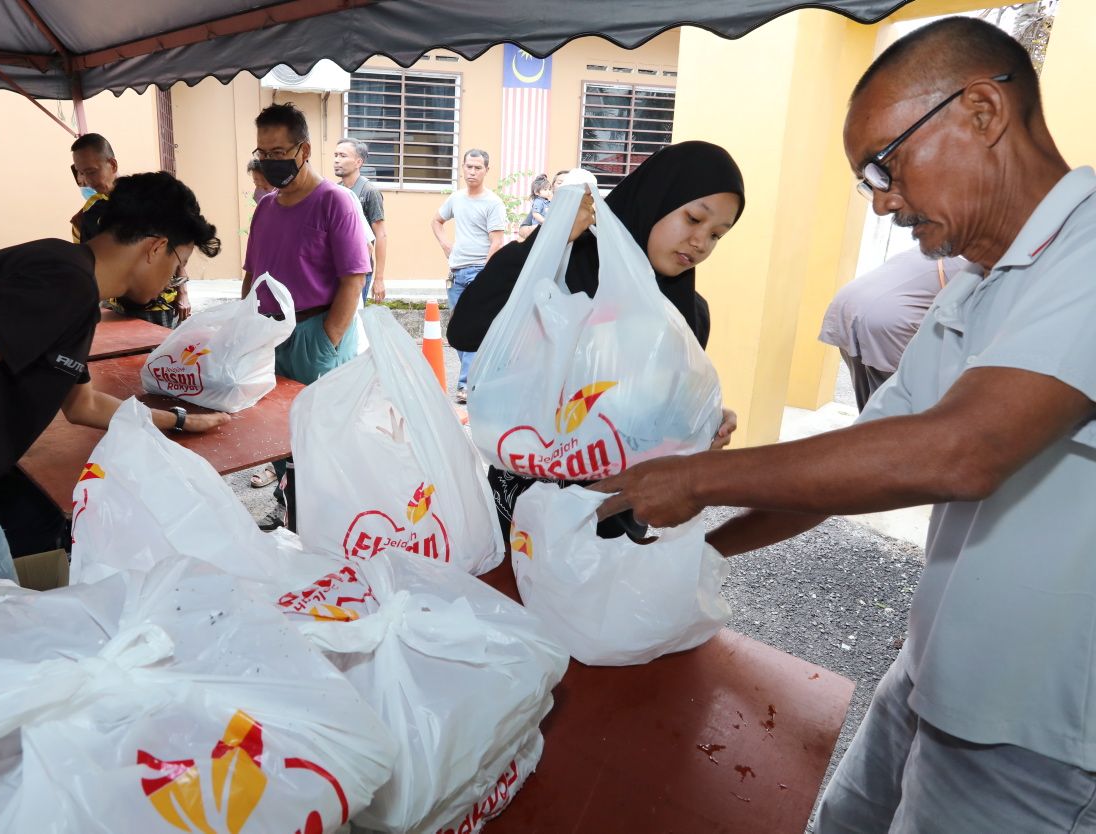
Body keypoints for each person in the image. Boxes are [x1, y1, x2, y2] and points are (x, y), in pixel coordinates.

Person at [596, 18, 1096, 833]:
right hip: (934, 675)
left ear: (980, 111)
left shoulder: (1088, 250)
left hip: (1040, 734)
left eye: (884, 165)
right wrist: (692, 555)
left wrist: (693, 479)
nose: (884, 201)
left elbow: (962, 450)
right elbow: (863, 462)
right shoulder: (976, 286)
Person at [0, 172, 228, 596]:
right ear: (155, 248)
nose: (172, 281)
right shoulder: (64, 280)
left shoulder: (71, 279)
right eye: (178, 267)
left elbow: (81, 404)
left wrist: (178, 420)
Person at [448, 142, 745, 541]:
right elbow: (466, 328)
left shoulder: (688, 316)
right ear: (656, 197)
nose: (700, 242)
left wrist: (705, 421)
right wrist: (549, 242)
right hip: (520, 510)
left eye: (717, 235)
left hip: (614, 526)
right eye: (693, 218)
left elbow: (658, 418)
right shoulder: (566, 269)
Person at [241, 103, 370, 529]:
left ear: (304, 150)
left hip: (316, 332)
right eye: (264, 154)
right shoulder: (266, 208)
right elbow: (251, 275)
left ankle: (332, 523)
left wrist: (329, 338)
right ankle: (289, 505)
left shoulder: (336, 202)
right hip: (268, 335)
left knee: (323, 436)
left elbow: (354, 278)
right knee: (279, 433)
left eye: (279, 153)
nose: (270, 162)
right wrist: (245, 329)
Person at [820, 248, 966, 410]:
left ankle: (867, 427)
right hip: (885, 320)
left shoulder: (920, 252)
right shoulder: (968, 271)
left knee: (869, 390)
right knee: (895, 396)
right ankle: (878, 430)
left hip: (846, 309)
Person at [71, 133, 192, 327]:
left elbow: (175, 247)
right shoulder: (88, 213)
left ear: (113, 165)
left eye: (92, 172)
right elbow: (84, 259)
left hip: (157, 306)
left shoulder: (147, 200)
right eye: (81, 173)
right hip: (114, 305)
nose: (86, 180)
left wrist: (183, 292)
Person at [431, 149, 506, 403]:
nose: (472, 172)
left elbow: (497, 242)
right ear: (462, 168)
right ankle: (477, 378)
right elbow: (436, 221)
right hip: (456, 273)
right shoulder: (457, 198)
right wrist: (445, 246)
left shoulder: (493, 202)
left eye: (478, 168)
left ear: (487, 170)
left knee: (474, 329)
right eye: (468, 167)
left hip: (478, 271)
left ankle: (466, 385)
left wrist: (486, 275)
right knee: (459, 330)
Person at [333, 138, 387, 302]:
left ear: (358, 162)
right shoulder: (335, 191)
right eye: (335, 155)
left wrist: (379, 279)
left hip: (360, 272)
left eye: (342, 155)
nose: (336, 160)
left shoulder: (370, 192)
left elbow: (381, 235)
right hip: (336, 270)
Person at [516, 173, 553, 241]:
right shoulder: (538, 202)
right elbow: (535, 214)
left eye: (549, 189)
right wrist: (544, 221)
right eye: (545, 190)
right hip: (538, 226)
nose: (548, 191)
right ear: (536, 192)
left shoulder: (546, 201)